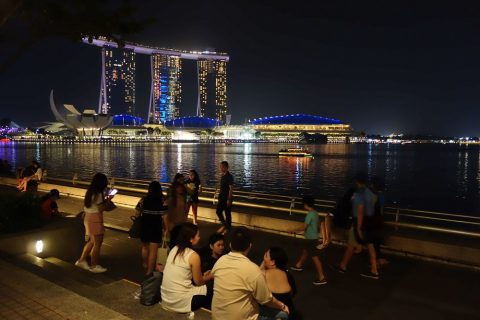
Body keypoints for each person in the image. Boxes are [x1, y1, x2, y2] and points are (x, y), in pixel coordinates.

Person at [211, 227, 289, 320]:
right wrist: (283, 306)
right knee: (283, 315)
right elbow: (267, 300)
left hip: (216, 316)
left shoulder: (220, 261)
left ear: (231, 245)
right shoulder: (253, 269)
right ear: (250, 246)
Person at [161, 222, 214, 314]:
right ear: (190, 239)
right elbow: (199, 282)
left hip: (166, 299)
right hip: (181, 302)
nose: (199, 237)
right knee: (213, 284)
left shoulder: (174, 249)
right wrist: (210, 277)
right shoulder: (193, 256)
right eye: (197, 235)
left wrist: (202, 276)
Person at [335, 172, 380, 279]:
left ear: (356, 182)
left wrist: (359, 228)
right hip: (370, 221)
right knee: (370, 246)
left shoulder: (359, 194)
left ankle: (343, 266)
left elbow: (360, 211)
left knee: (351, 244)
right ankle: (374, 270)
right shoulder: (372, 193)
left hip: (359, 222)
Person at [75, 173, 113, 273]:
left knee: (91, 241)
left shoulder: (90, 191)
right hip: (95, 219)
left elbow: (92, 205)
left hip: (88, 217)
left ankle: (81, 260)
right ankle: (94, 266)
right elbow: (101, 208)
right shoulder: (98, 194)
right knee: (97, 243)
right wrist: (109, 199)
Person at [289, 196, 327, 285]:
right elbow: (315, 226)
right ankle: (299, 265)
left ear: (306, 204)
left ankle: (322, 277)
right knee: (305, 252)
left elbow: (304, 226)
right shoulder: (315, 213)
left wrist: (293, 230)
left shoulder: (309, 214)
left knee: (315, 257)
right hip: (313, 237)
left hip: (311, 239)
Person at [137, 181, 168, 275]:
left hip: (145, 226)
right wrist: (166, 229)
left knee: (145, 247)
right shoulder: (162, 201)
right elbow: (165, 217)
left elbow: (137, 211)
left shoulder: (143, 200)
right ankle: (149, 271)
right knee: (153, 251)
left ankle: (145, 263)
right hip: (156, 227)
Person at [259, 247, 297, 320]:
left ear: (273, 262)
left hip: (273, 314)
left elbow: (256, 277)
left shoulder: (263, 274)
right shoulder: (288, 274)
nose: (264, 257)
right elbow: (294, 293)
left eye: (266, 255)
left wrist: (264, 263)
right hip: (289, 313)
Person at [166, 174, 188, 248]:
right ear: (175, 189)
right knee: (174, 242)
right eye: (179, 188)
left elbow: (184, 210)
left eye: (181, 187)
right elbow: (168, 212)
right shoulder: (171, 199)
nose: (181, 189)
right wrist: (168, 224)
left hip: (181, 223)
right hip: (174, 224)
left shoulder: (182, 197)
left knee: (179, 242)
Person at [216, 161, 234, 234]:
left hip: (227, 198)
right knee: (218, 211)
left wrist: (229, 199)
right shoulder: (223, 175)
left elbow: (231, 188)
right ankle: (224, 225)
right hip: (221, 197)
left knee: (227, 213)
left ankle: (228, 228)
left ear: (227, 167)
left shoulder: (230, 176)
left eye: (223, 166)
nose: (221, 168)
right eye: (220, 166)